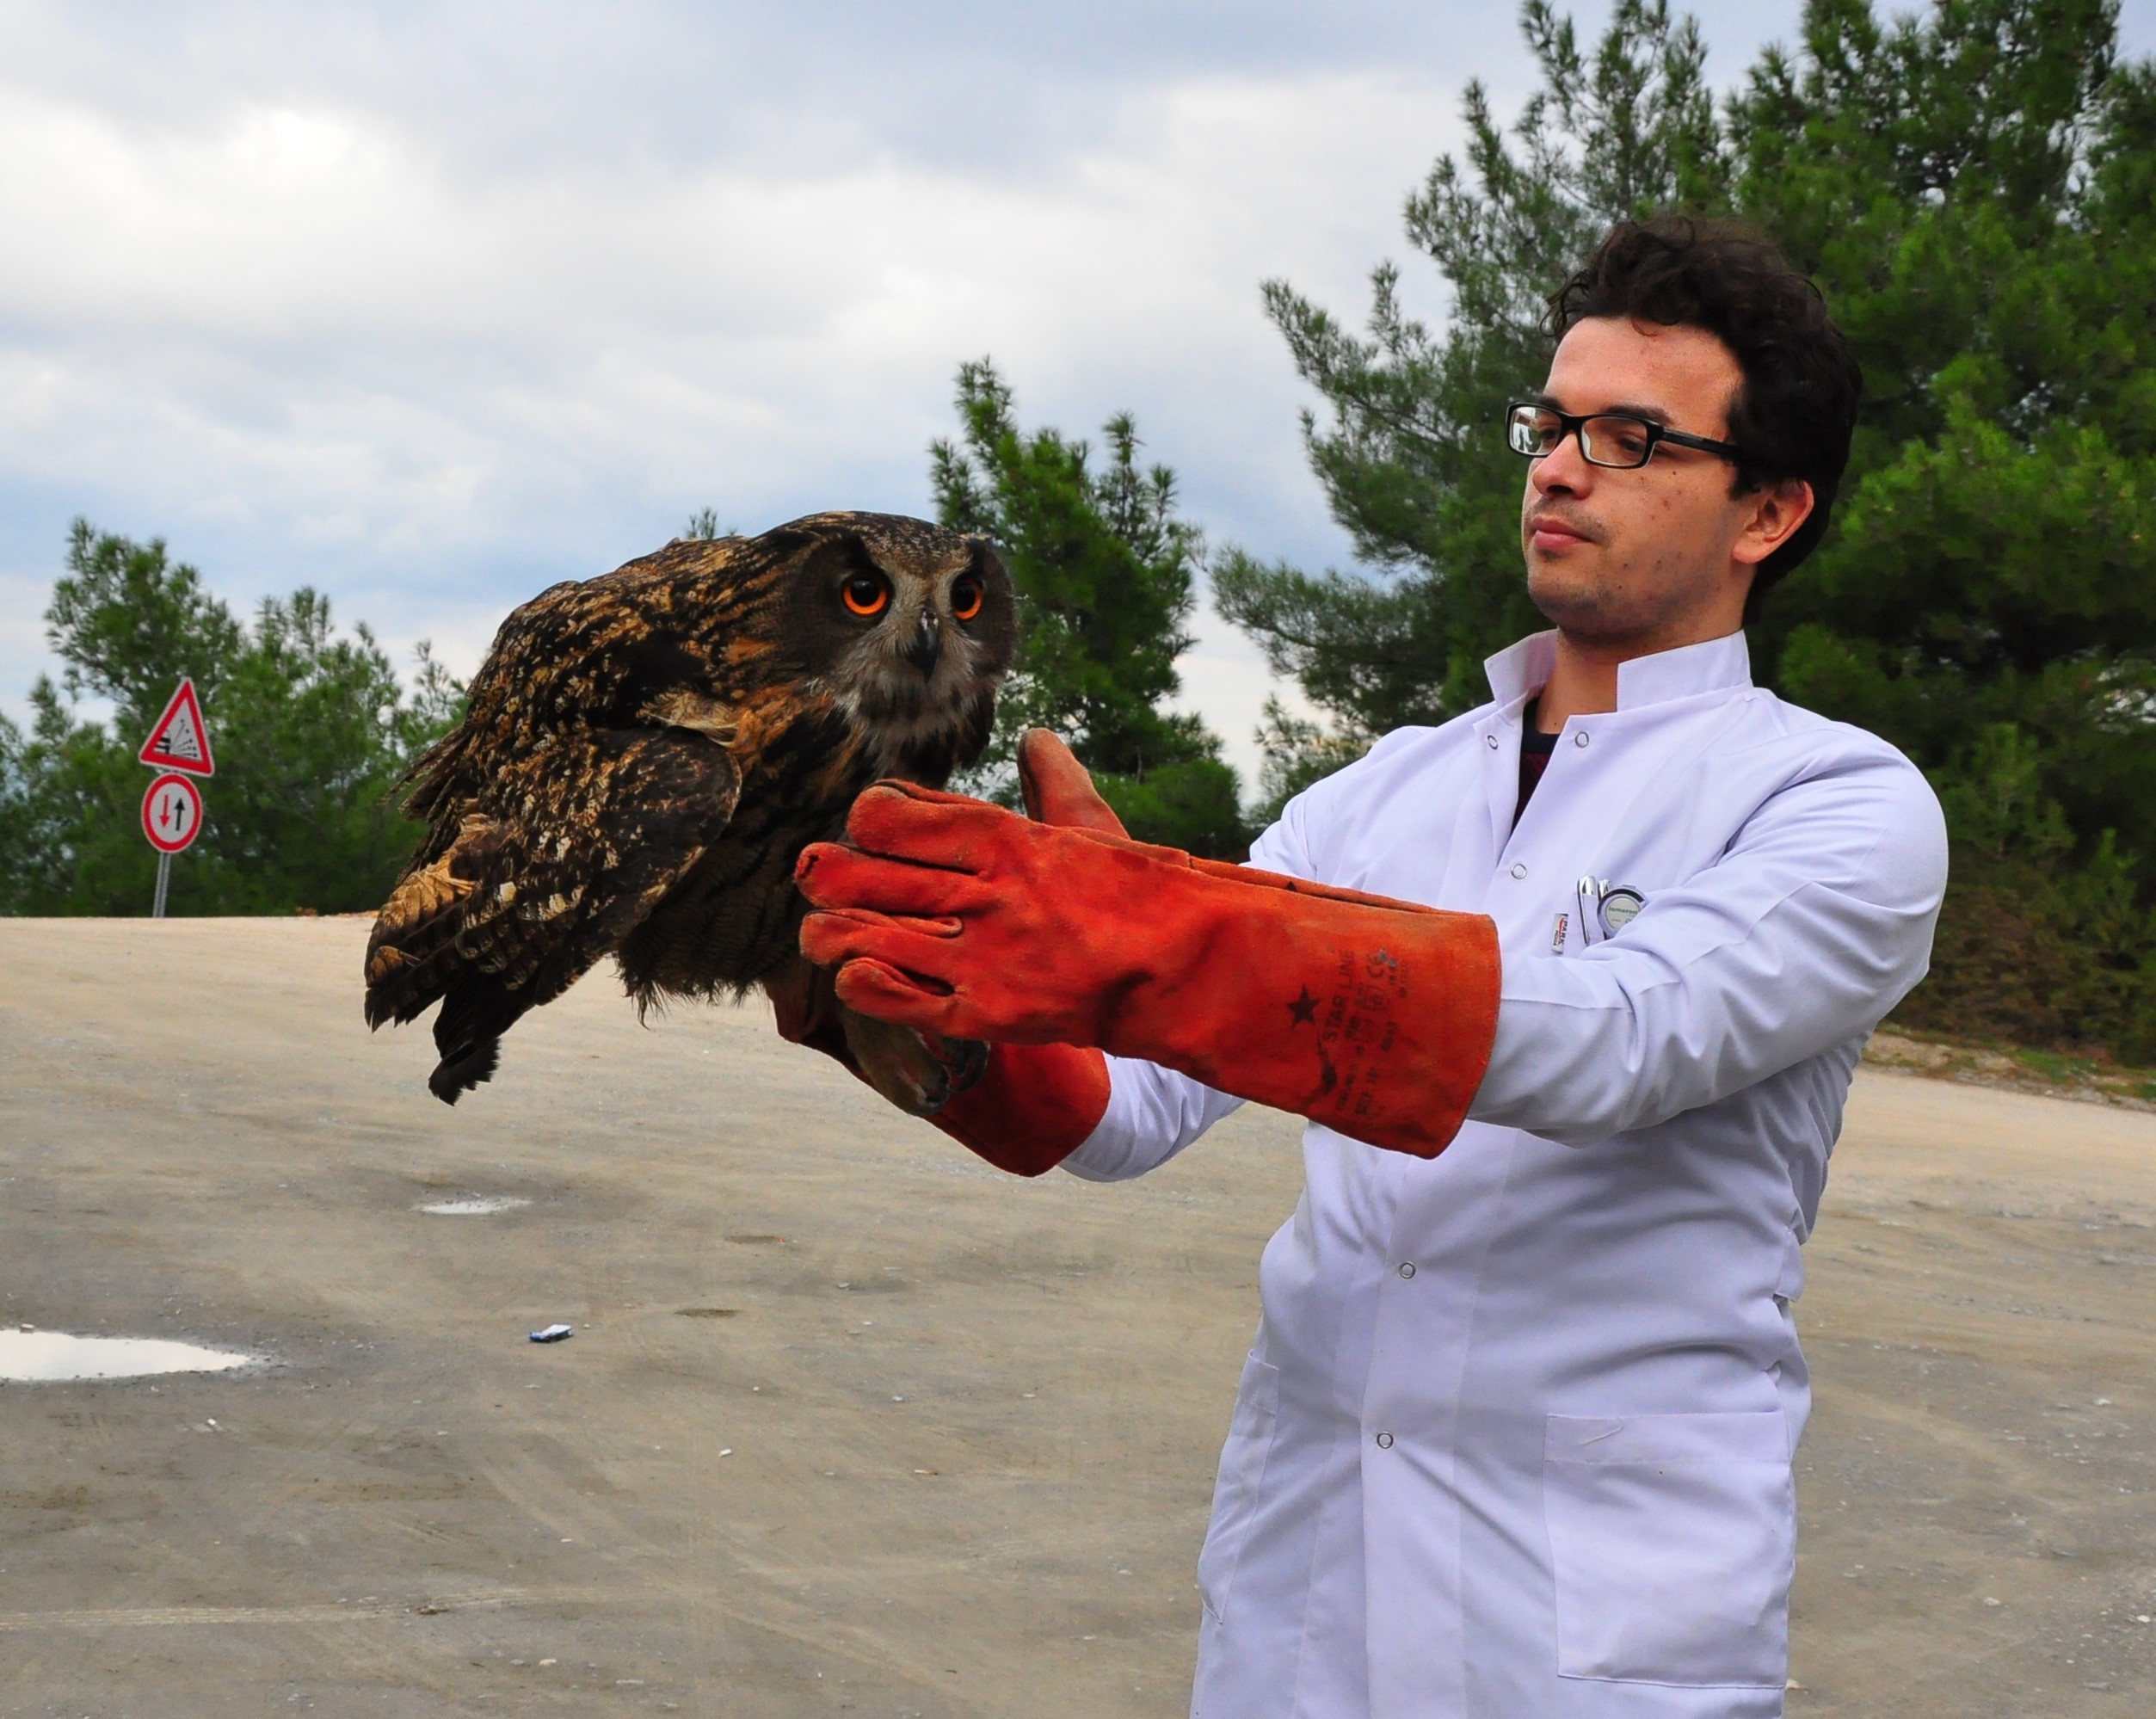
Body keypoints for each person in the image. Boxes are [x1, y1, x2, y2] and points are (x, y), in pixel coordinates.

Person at [786, 217, 1948, 1718]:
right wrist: (917, 1011)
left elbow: (1611, 1042)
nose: (1557, 463)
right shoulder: (1378, 794)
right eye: (1551, 420)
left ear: (1767, 512)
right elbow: (1128, 1109)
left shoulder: (1837, 805)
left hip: (1592, 1620)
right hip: (1302, 1603)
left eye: (1630, 435)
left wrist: (1150, 928)